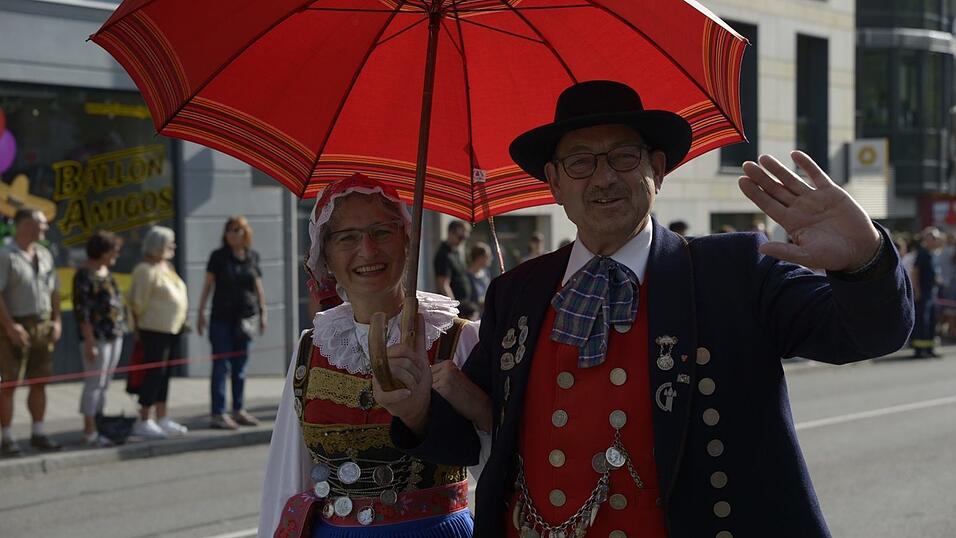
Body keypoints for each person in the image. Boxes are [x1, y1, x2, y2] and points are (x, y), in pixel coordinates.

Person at [379, 80, 913, 537]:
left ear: (657, 169)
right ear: (555, 183)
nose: (603, 178)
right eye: (580, 162)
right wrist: (417, 408)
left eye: (624, 157)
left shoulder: (734, 269)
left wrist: (863, 262)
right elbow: (477, 435)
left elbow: (868, 335)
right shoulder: (516, 291)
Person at [259, 173, 490, 538]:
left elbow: (503, 472)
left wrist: (477, 408)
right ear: (325, 256)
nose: (367, 250)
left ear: (407, 242)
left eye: (382, 232)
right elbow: (287, 481)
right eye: (347, 237)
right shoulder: (311, 347)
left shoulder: (458, 338)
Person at [0, 209, 61, 456]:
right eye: (41, 224)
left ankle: (39, 432)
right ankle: (7, 437)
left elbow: (54, 291)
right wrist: (9, 326)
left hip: (42, 324)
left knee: (40, 381)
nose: (45, 228)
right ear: (25, 225)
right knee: (9, 383)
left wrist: (57, 321)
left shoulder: (44, 254)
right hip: (15, 326)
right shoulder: (6, 255)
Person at [196, 216, 267, 430]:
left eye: (237, 230)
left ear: (245, 233)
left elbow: (258, 287)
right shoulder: (218, 257)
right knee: (221, 366)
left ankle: (238, 409)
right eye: (229, 230)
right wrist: (200, 313)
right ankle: (218, 413)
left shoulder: (252, 256)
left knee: (240, 367)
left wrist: (263, 313)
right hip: (221, 318)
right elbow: (207, 286)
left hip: (245, 319)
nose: (232, 234)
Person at [128, 226, 189, 439]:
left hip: (171, 329)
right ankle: (144, 418)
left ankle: (161, 416)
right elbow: (137, 303)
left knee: (164, 375)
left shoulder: (166, 267)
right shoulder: (145, 270)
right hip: (153, 330)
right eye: (169, 243)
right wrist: (138, 328)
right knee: (153, 375)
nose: (173, 246)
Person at [73, 230, 126, 447]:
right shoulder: (85, 275)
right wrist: (89, 341)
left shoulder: (106, 272)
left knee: (105, 382)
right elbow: (82, 311)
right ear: (102, 251)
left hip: (114, 334)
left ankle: (100, 423)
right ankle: (89, 429)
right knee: (94, 383)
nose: (116, 255)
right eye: (113, 251)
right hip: (97, 337)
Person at [910, 226, 943, 357]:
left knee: (931, 321)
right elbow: (915, 272)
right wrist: (917, 291)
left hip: (931, 293)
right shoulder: (922, 253)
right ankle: (919, 350)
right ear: (927, 239)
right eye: (933, 238)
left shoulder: (932, 254)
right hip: (923, 293)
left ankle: (929, 348)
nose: (936, 240)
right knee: (922, 321)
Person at [434, 220, 476, 318]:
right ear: (450, 233)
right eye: (461, 237)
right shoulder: (443, 255)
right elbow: (443, 285)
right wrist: (454, 310)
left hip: (464, 306)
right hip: (457, 310)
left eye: (465, 238)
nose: (463, 241)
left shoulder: (455, 252)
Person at [467, 242, 492, 317]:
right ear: (479, 257)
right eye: (488, 256)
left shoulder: (486, 273)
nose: (491, 258)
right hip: (473, 315)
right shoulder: (467, 276)